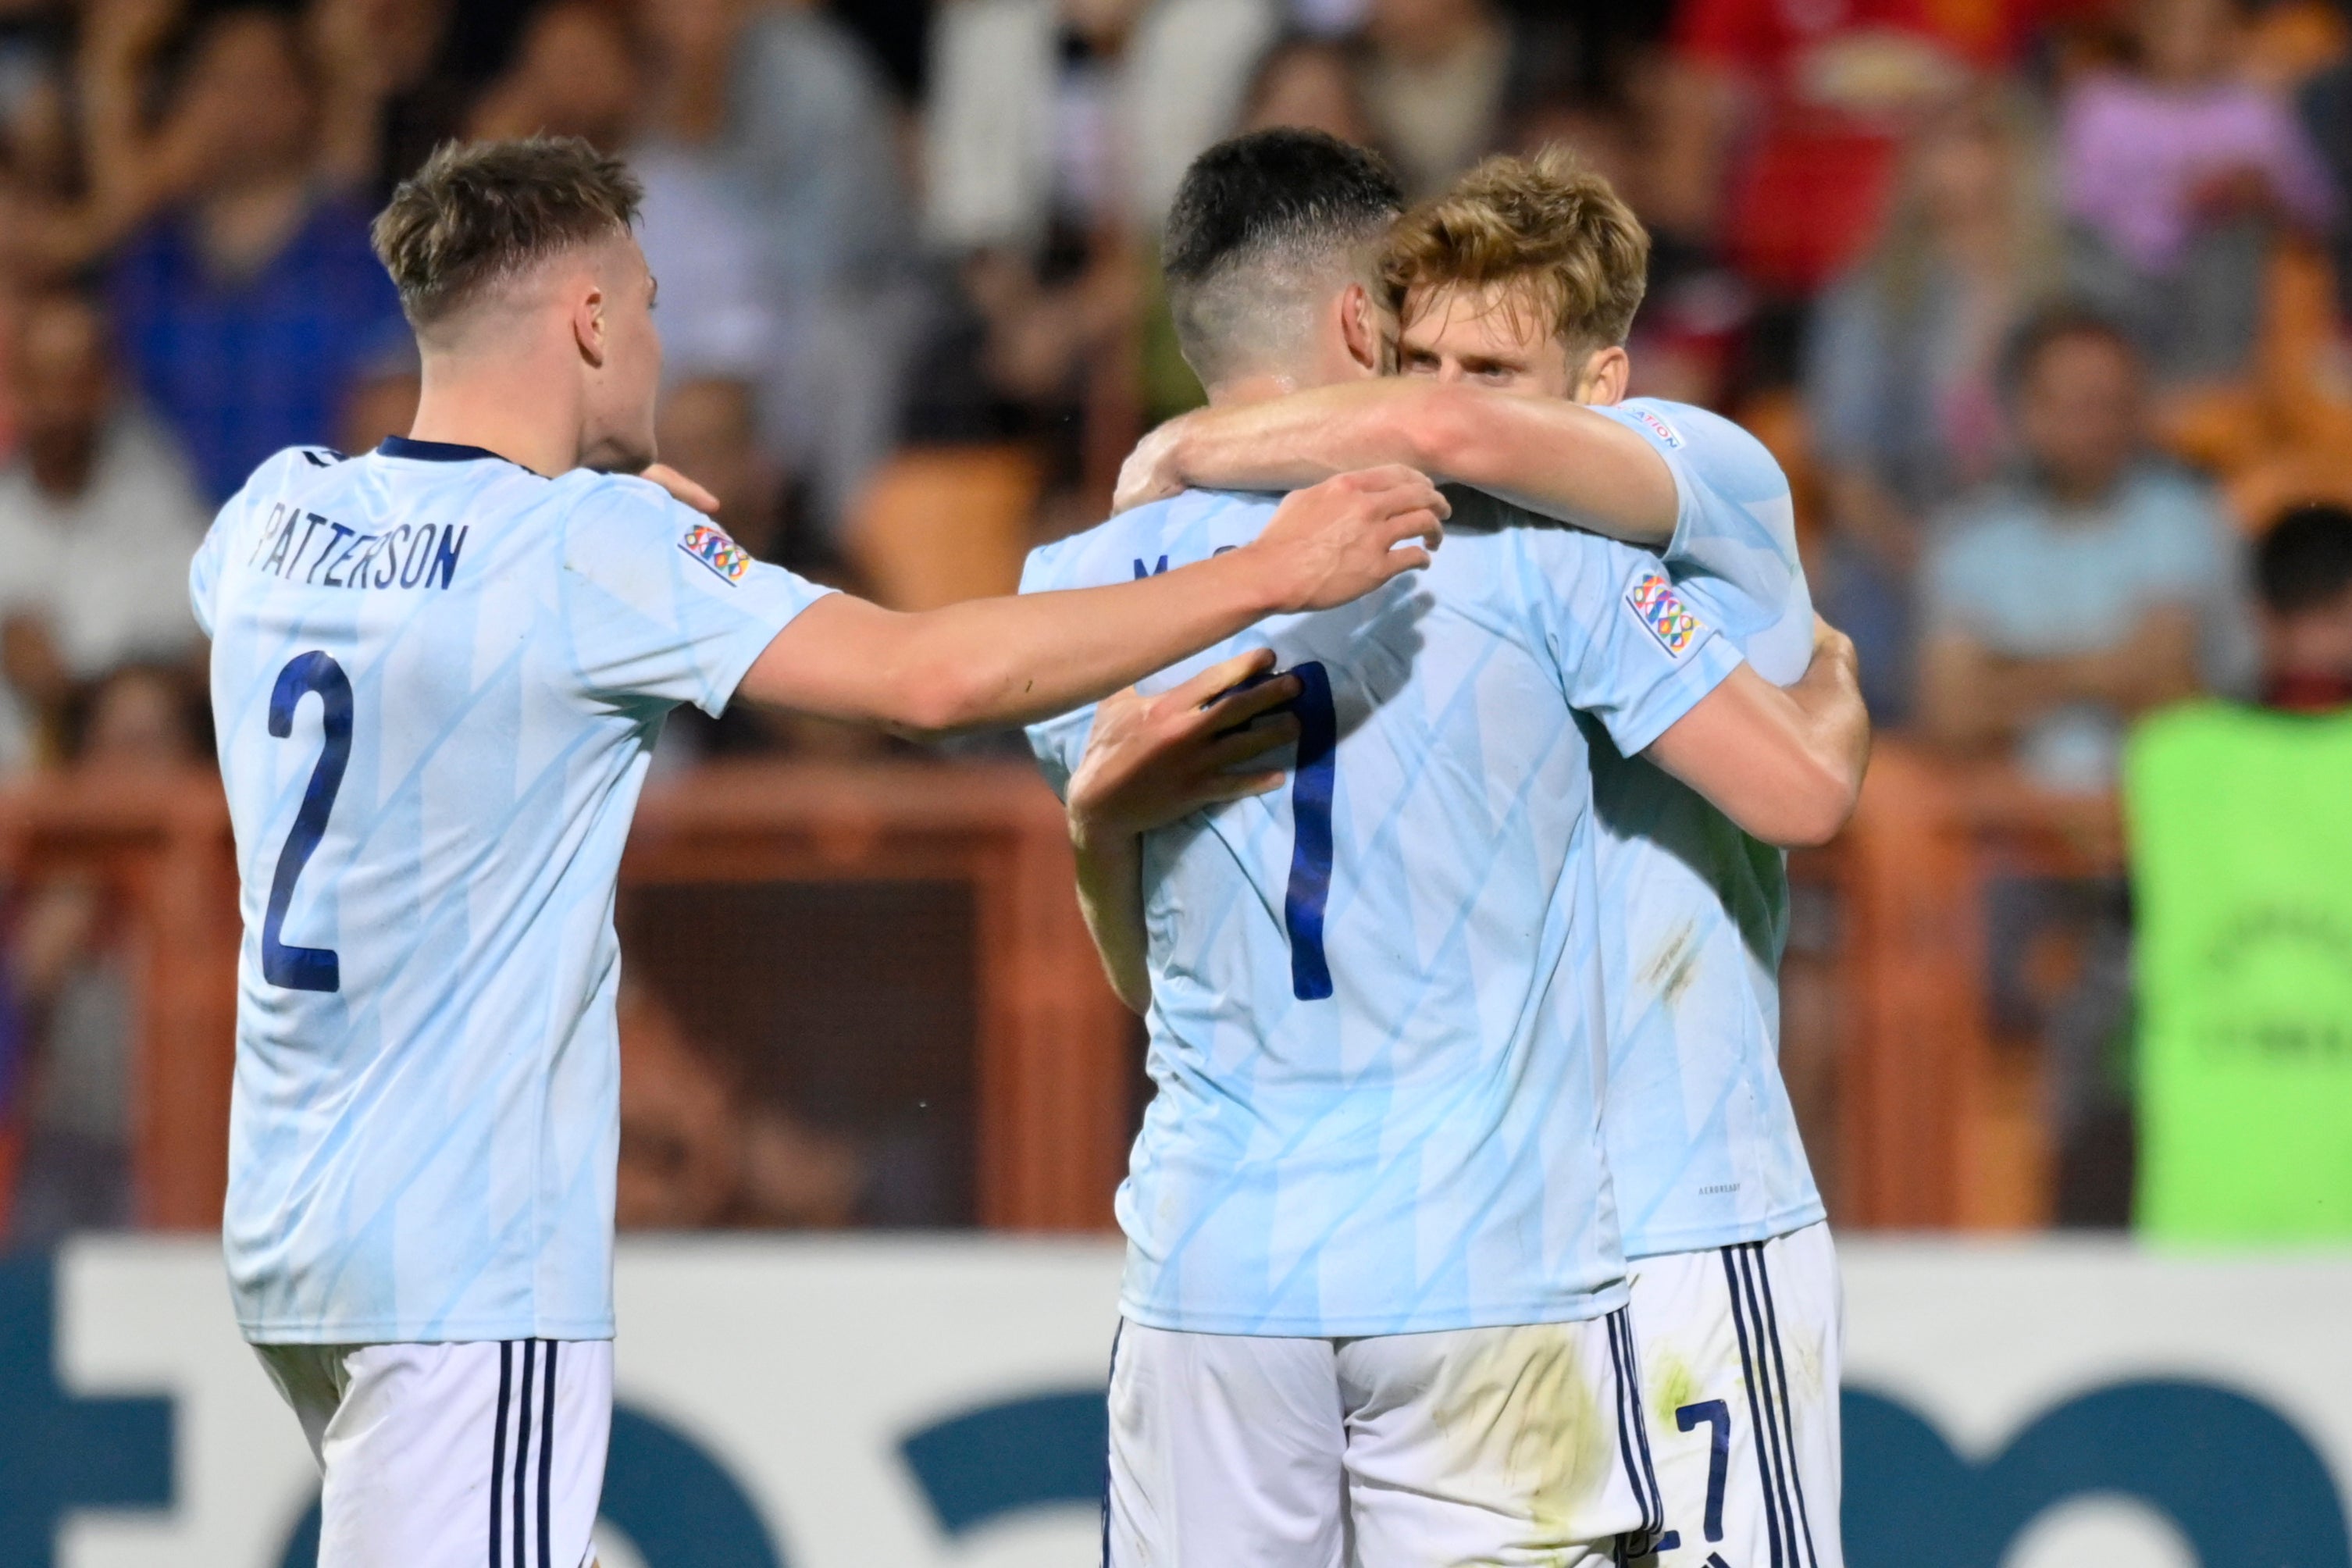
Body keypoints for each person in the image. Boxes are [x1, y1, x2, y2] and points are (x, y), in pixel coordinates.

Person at [191, 134, 1445, 1565]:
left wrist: (557, 519)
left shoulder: (276, 513)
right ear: (592, 321)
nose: (659, 341)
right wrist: (1271, 573)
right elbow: (931, 680)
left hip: (289, 1234)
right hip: (463, 1259)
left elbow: (364, 576)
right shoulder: (591, 550)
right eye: (650, 303)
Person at [1025, 129, 1868, 1565]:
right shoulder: (1442, 564)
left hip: (1684, 1213)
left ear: (1602, 383)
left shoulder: (1693, 467)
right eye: (1416, 361)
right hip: (1502, 1246)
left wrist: (1185, 442)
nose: (1428, 408)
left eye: (1489, 372)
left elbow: (1450, 447)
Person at [1917, 305, 2253, 789]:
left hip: (2166, 809)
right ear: (2024, 411)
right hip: (2013, 826)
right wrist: (2112, 667)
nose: (2100, 422)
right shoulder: (1965, 542)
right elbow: (1954, 715)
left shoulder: (2188, 517)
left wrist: (2011, 669)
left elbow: (2167, 685)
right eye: (2078, 404)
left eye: (2115, 401)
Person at [0, 291, 209, 774]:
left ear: (105, 387)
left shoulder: (156, 491)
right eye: (43, 383)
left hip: (128, 795)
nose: (59, 407)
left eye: (75, 381)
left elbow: (203, 648)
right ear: (17, 390)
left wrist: (72, 683)